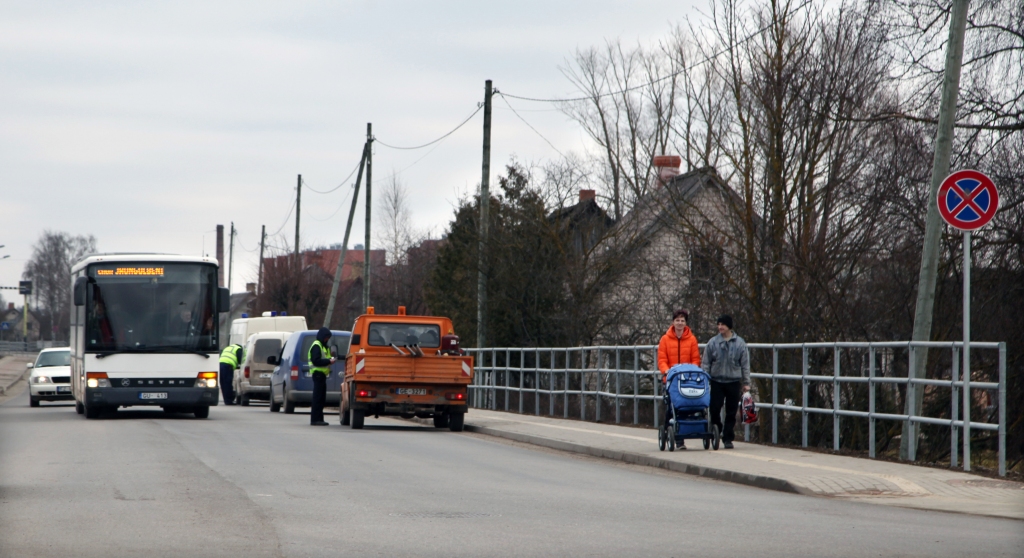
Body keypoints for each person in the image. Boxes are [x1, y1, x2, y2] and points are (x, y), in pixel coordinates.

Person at [701, 314, 750, 449]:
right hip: (717, 381)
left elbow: (745, 364)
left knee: (731, 411)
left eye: (723, 324)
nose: (720, 327)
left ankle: (728, 437)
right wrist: (705, 379)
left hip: (733, 381)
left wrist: (746, 382)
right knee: (715, 409)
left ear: (729, 326)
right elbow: (706, 363)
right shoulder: (713, 342)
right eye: (719, 324)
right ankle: (717, 430)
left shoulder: (740, 343)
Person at [657, 309, 700, 449]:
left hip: (687, 379)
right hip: (671, 379)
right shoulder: (665, 339)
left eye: (682, 321)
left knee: (688, 406)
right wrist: (666, 371)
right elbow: (662, 359)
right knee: (671, 407)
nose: (680, 323)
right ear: (673, 322)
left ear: (686, 323)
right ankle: (669, 431)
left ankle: (686, 431)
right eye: (677, 320)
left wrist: (692, 371)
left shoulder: (692, 339)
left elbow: (695, 359)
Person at [307, 327, 337, 426]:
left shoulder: (323, 346)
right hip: (318, 374)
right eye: (326, 337)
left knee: (321, 398)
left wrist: (331, 359)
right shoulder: (317, 346)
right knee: (318, 398)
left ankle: (319, 419)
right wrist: (329, 361)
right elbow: (316, 361)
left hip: (322, 375)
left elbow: (324, 358)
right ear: (322, 336)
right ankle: (315, 419)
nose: (327, 339)